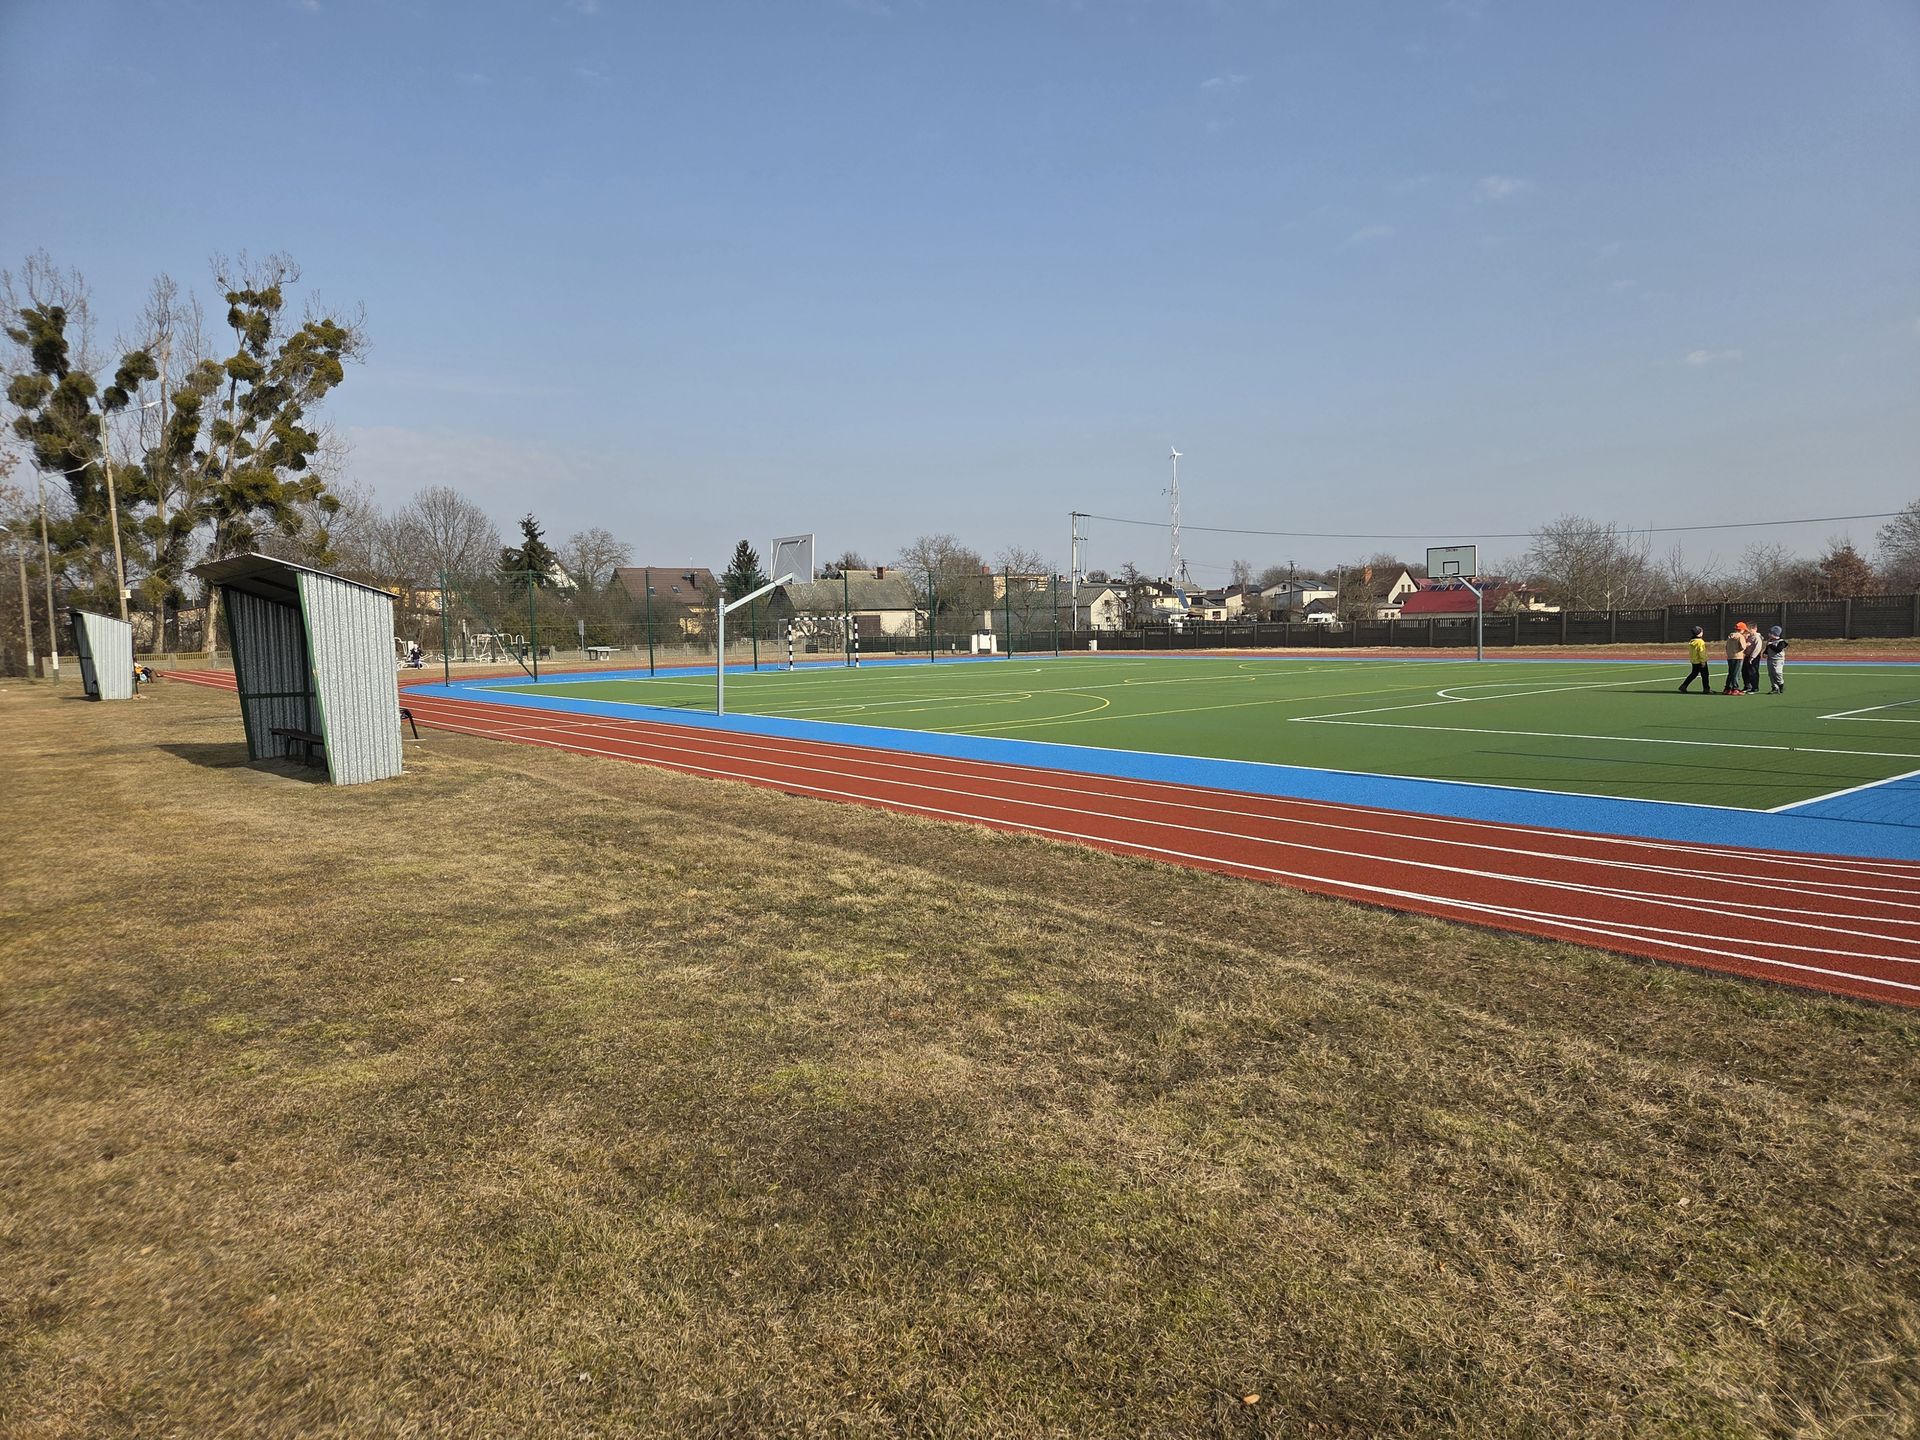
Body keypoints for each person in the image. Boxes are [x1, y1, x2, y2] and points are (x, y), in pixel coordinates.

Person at [1678, 625, 1712, 693]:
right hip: (1700, 661)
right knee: (1705, 675)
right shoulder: (1700, 642)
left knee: (1693, 674)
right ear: (1699, 633)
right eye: (1701, 631)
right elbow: (1701, 652)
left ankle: (1684, 686)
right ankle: (1706, 689)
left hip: (1694, 661)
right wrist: (1703, 661)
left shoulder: (1692, 641)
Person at [1764, 625, 1789, 693]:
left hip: (1778, 660)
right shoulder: (1770, 641)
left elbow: (1778, 650)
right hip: (1770, 659)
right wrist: (1765, 652)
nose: (1769, 634)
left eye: (1770, 633)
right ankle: (1774, 687)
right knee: (1771, 674)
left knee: (1777, 672)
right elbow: (1767, 648)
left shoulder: (1781, 642)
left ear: (1775, 634)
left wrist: (1771, 645)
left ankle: (1781, 684)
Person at [1723, 623, 1747, 694]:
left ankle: (1727, 688)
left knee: (1731, 673)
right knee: (1736, 673)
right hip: (1738, 657)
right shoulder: (1740, 636)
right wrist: (1747, 644)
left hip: (1730, 656)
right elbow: (1743, 647)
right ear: (1742, 630)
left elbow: (1726, 646)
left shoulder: (1730, 636)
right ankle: (1735, 688)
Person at [1741, 621, 1763, 695]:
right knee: (1744, 671)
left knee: (1753, 672)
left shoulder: (1757, 637)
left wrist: (1752, 657)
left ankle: (1755, 687)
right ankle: (1747, 686)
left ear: (1755, 629)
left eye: (1750, 630)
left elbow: (1758, 648)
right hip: (1747, 656)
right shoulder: (1749, 637)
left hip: (1754, 657)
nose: (1749, 632)